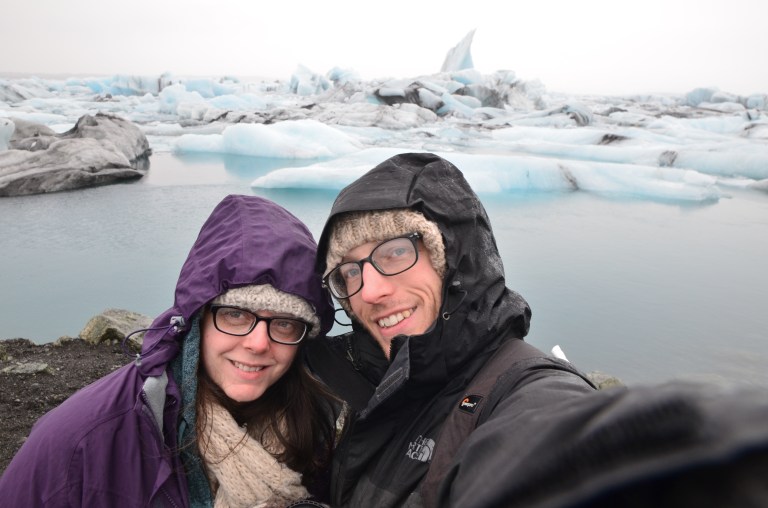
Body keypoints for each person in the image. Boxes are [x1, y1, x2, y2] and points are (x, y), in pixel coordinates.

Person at [306, 152, 768, 507]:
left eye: (393, 253)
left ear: (455, 259)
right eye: (348, 272)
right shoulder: (337, 369)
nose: (369, 291)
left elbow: (557, 449)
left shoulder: (517, 390)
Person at [0, 194, 340, 507]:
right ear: (197, 322)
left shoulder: (323, 423)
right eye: (235, 315)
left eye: (284, 323)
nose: (258, 343)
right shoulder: (83, 440)